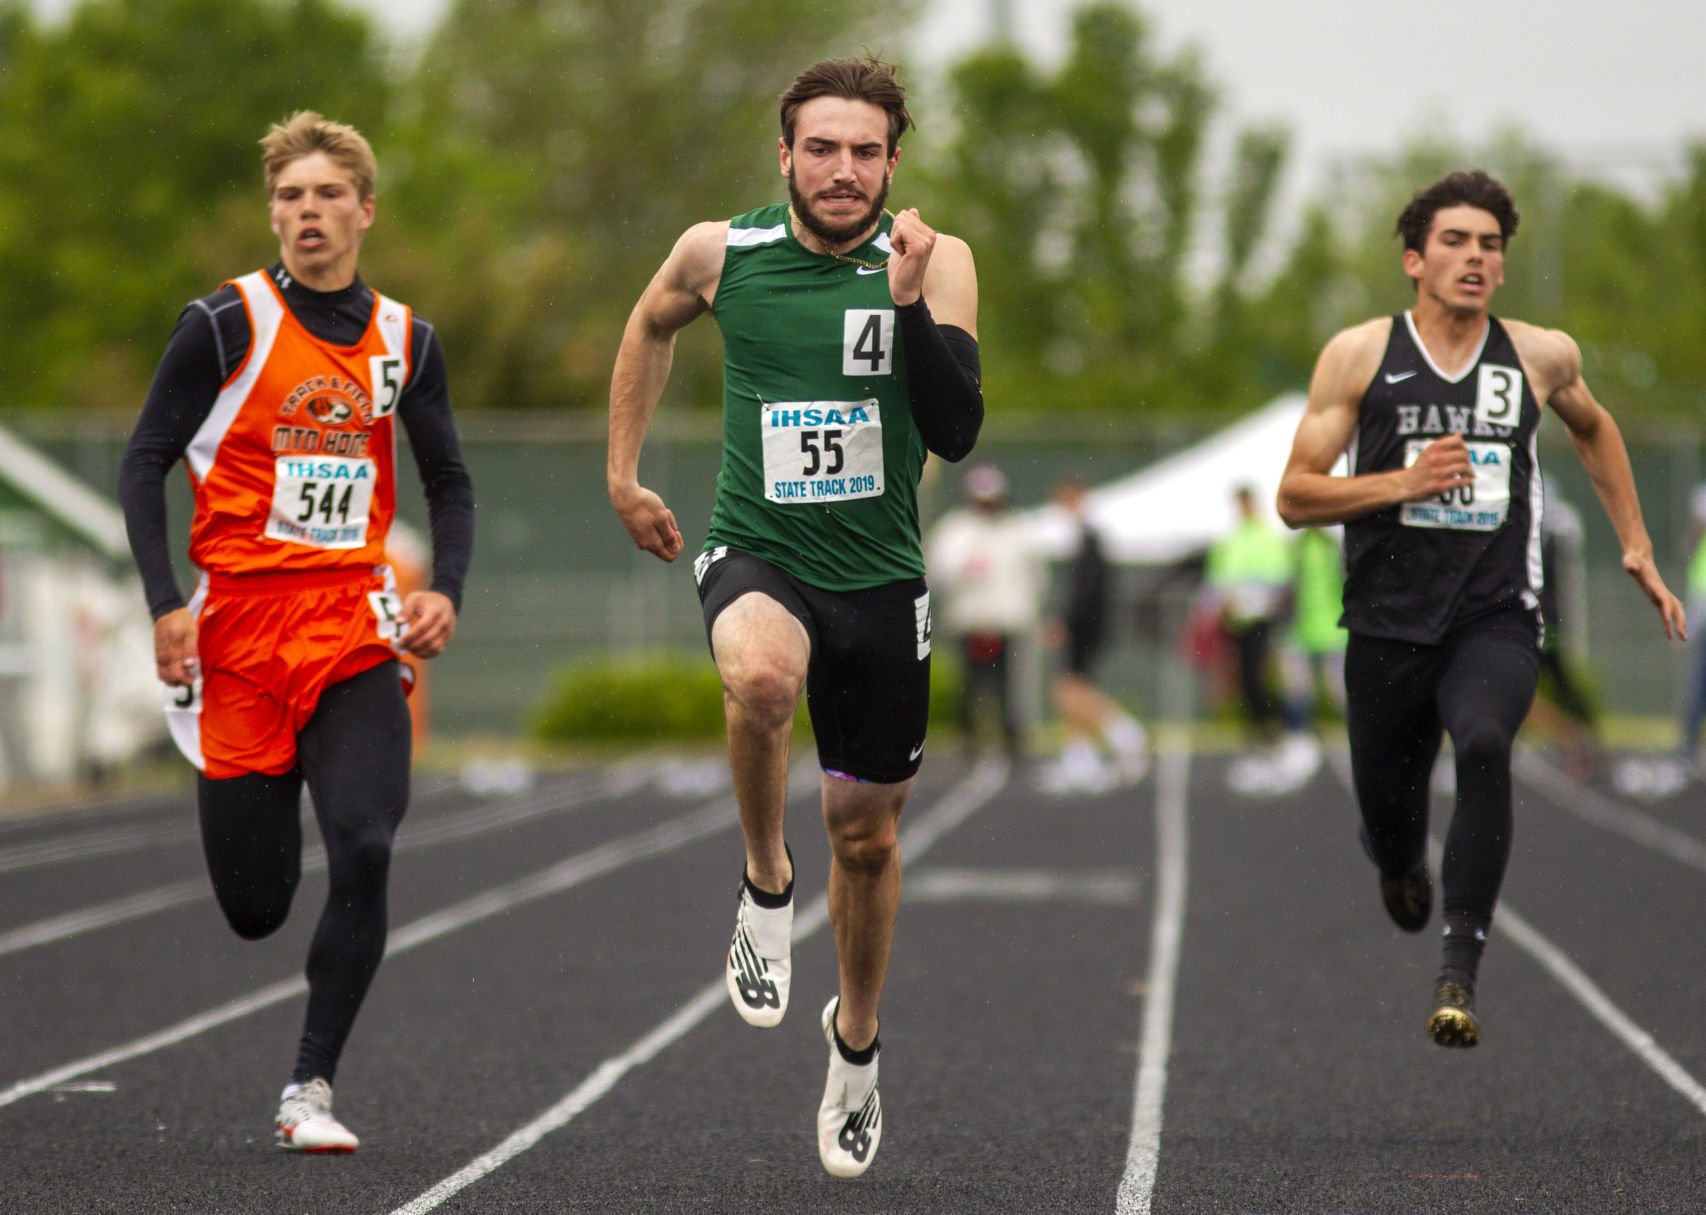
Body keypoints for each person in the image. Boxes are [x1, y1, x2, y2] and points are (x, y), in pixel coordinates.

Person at [606, 55, 981, 1177]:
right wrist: (623, 476)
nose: (842, 170)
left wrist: (907, 300)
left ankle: (855, 1046)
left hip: (879, 579)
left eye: (865, 151)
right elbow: (647, 325)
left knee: (865, 837)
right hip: (756, 550)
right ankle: (765, 879)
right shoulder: (720, 253)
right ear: (784, 155)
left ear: (892, 164)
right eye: (820, 148)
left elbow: (954, 431)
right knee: (760, 681)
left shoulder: (937, 260)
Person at [117, 112, 475, 1150]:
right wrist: (162, 601)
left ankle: (308, 1088)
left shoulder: (406, 339)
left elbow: (450, 480)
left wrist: (444, 586)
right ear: (272, 212)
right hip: (236, 630)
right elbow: (143, 460)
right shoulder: (225, 323)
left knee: (365, 843)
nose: (305, 214)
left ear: (364, 209)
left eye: (325, 196)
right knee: (255, 905)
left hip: (353, 626)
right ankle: (254, 842)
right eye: (288, 198)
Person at [1277, 169, 1683, 1049]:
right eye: (1455, 242)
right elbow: (1295, 498)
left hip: (1494, 612)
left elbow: (1594, 427)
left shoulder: (1541, 354)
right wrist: (1402, 482)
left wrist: (1637, 544)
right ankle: (1397, 863)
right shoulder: (1359, 354)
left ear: (1502, 266)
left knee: (1490, 741)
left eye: (1490, 245)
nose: (1474, 257)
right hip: (1386, 623)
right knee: (1391, 815)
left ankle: (1459, 968)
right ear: (1414, 260)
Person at [925, 461, 1045, 761]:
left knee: (1008, 685)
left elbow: (1035, 577)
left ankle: (1011, 739)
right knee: (969, 685)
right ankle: (968, 739)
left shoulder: (1017, 531)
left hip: (1007, 622)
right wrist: (963, 568)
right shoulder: (955, 530)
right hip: (968, 621)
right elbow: (936, 570)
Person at [1039, 473, 1149, 792]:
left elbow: (1085, 592)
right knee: (1072, 689)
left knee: (1068, 691)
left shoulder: (1090, 538)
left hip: (1086, 627)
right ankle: (1080, 760)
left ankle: (1127, 736)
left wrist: (1064, 622)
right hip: (1087, 625)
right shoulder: (1083, 537)